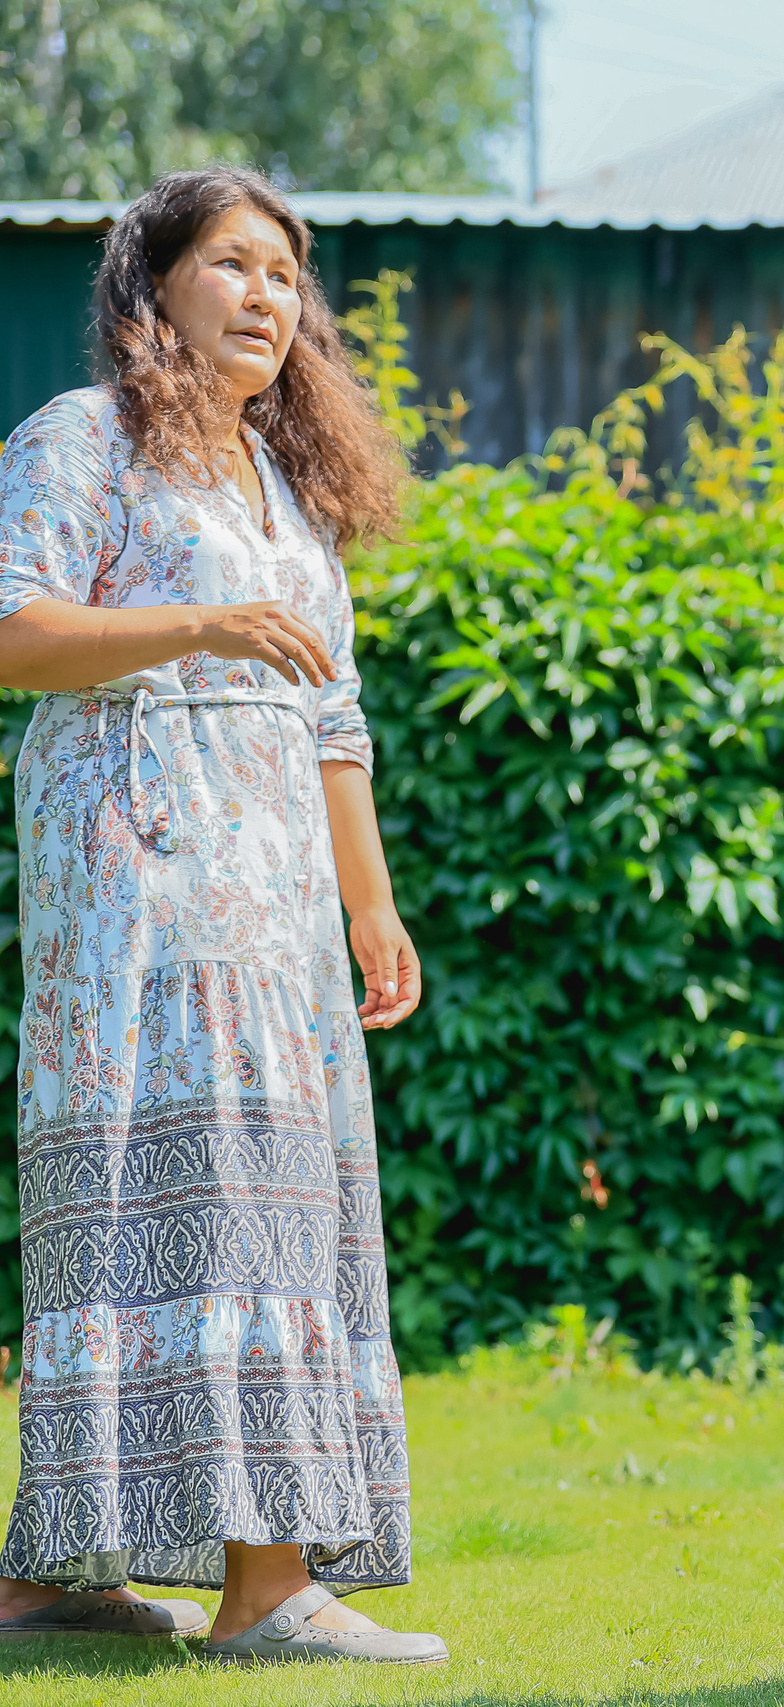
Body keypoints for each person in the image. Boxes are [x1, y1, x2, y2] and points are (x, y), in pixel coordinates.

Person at [0, 167, 443, 1664]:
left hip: (272, 924)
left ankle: (77, 1578)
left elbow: (336, 721)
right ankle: (246, 1592)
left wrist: (369, 910)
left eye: (287, 275)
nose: (271, 297)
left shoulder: (282, 490)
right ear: (155, 287)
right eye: (235, 266)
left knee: (268, 1209)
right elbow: (13, 633)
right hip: (133, 890)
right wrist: (194, 624)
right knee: (140, 1204)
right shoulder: (84, 441)